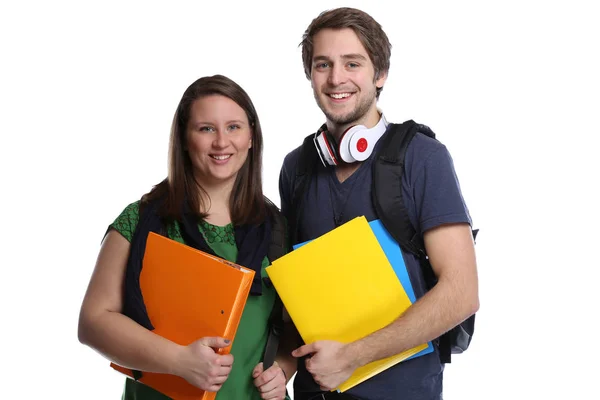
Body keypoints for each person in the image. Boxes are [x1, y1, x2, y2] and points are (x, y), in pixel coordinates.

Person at [278, 7, 479, 400]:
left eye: (352, 63)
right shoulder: (296, 167)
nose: (336, 78)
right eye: (323, 64)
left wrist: (354, 355)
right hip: (313, 390)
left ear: (380, 74)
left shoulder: (423, 157)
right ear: (310, 75)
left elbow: (462, 292)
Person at [78, 74, 294, 400]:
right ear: (184, 138)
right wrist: (178, 360)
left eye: (234, 127)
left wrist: (282, 369)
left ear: (251, 136)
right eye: (206, 128)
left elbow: (297, 326)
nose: (222, 142)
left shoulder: (275, 227)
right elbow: (93, 322)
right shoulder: (142, 220)